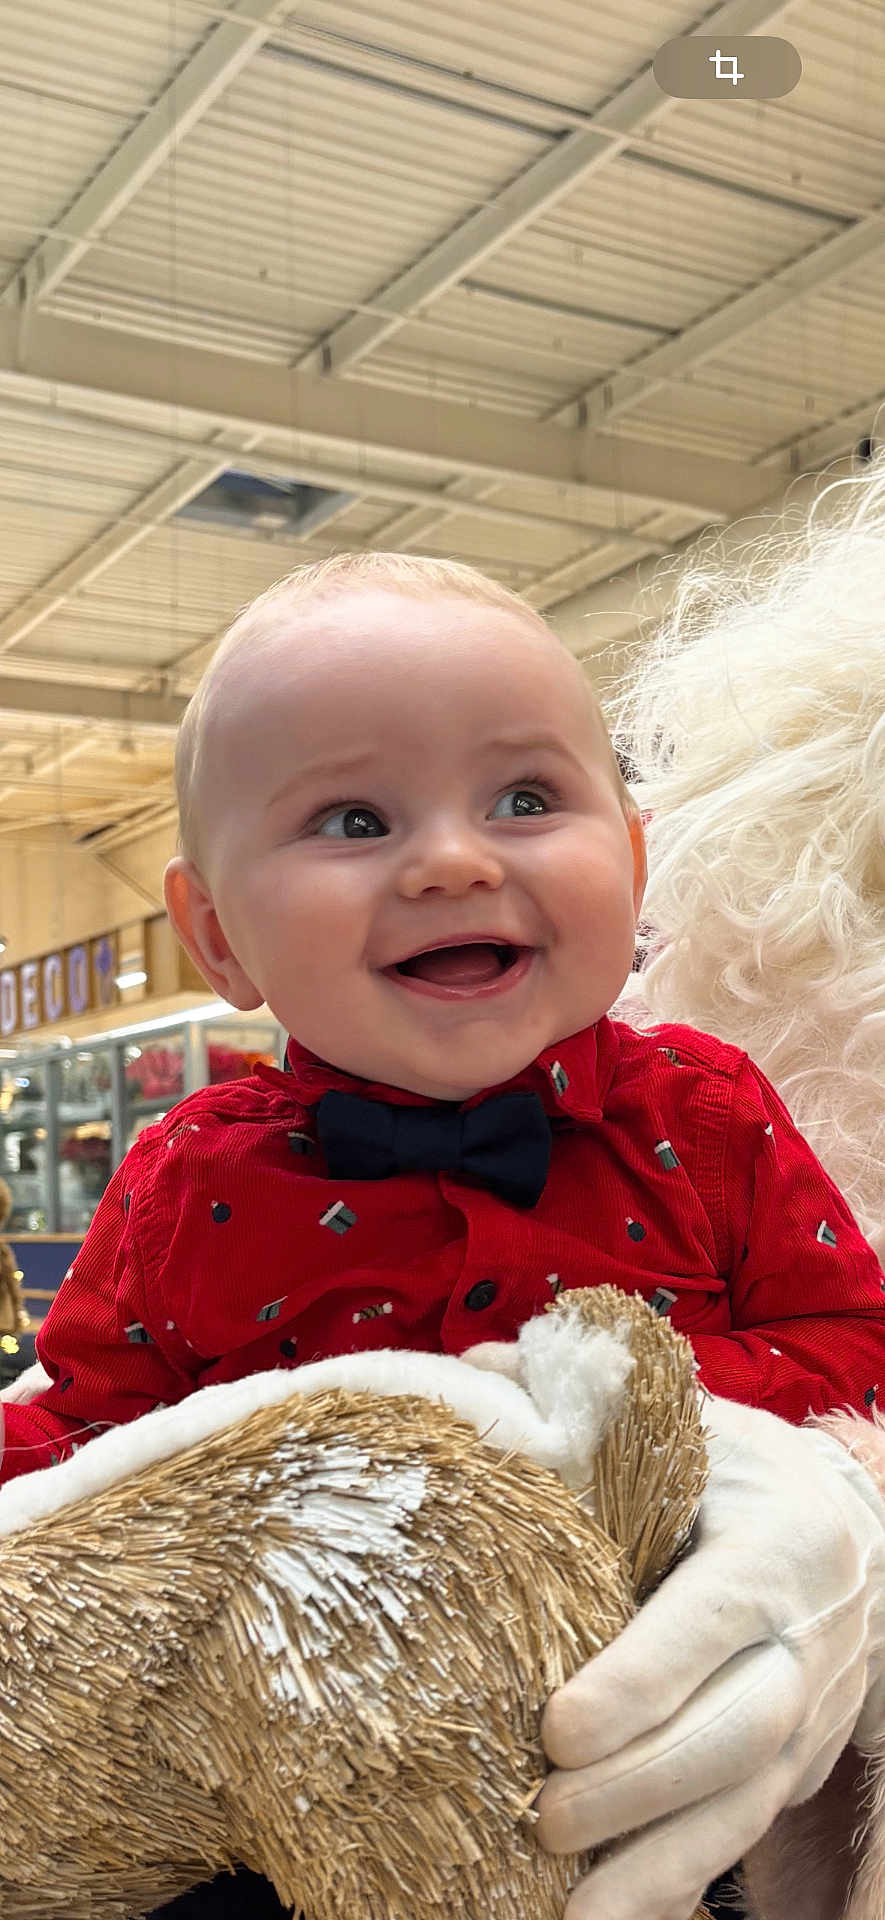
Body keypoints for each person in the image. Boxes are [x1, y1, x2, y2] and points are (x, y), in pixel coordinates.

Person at [3, 549, 885, 1919]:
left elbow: (850, 1341)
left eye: (525, 798)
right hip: (282, 1810)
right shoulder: (182, 1183)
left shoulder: (705, 1120)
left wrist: (653, 1423)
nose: (455, 859)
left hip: (654, 1765)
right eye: (352, 820)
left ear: (635, 857)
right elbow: (93, 1444)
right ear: (218, 935)